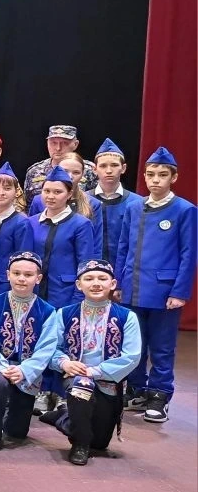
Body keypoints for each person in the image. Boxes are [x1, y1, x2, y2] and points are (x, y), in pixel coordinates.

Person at [116, 146, 195, 423]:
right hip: (133, 286)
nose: (155, 180)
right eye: (151, 174)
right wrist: (119, 282)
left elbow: (189, 254)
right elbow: (123, 247)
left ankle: (160, 395)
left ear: (174, 177)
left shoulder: (185, 210)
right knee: (134, 343)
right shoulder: (134, 207)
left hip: (164, 291)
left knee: (162, 346)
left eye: (162, 175)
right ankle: (136, 388)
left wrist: (179, 291)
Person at [41, 260, 140, 465]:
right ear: (79, 284)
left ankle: (63, 417)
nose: (96, 283)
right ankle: (80, 445)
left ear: (113, 284)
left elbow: (132, 356)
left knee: (100, 443)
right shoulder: (64, 314)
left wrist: (94, 371)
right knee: (81, 387)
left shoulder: (127, 317)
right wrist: (64, 363)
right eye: (89, 279)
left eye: (102, 278)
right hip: (75, 377)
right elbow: (50, 349)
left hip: (108, 381)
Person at [28, 166, 98, 415]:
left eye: (57, 192)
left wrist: (80, 296)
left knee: (63, 341)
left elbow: (85, 263)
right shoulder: (32, 222)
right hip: (37, 292)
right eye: (46, 191)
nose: (50, 196)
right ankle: (41, 389)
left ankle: (58, 392)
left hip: (65, 291)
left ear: (69, 194)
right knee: (38, 338)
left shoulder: (80, 224)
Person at [0, 251, 59, 451]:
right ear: (8, 275)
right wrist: (1, 366)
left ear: (38, 278)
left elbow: (46, 349)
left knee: (17, 432)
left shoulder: (47, 311)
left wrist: (24, 370)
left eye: (28, 275)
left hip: (28, 371)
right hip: (0, 366)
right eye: (17, 273)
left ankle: (4, 411)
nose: (22, 278)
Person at [90, 139, 144, 268]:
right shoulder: (84, 201)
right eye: (103, 166)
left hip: (126, 269)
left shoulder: (138, 202)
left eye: (114, 165)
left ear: (123, 168)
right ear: (94, 169)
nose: (109, 170)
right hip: (90, 271)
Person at [0, 163, 34, 296]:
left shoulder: (22, 223)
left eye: (7, 188)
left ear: (16, 191)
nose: (1, 193)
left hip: (5, 284)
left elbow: (23, 258)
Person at [23, 125, 98, 202]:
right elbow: (28, 204)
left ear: (75, 144)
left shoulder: (90, 170)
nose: (58, 148)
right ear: (47, 143)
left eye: (65, 143)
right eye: (53, 143)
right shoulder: (34, 171)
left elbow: (97, 200)